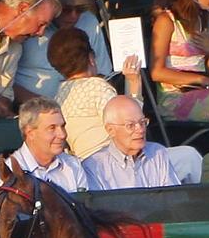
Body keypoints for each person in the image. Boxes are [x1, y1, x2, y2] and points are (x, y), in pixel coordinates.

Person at [14, 0, 111, 103]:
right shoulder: (27, 26)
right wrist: (42, 105)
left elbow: (103, 73)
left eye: (80, 8)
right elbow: (5, 81)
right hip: (31, 107)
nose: (74, 16)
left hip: (82, 104)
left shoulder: (89, 21)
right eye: (66, 9)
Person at [50, 27, 143, 159]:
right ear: (91, 58)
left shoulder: (59, 96)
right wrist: (133, 81)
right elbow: (130, 127)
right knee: (183, 154)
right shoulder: (97, 87)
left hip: (84, 166)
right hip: (115, 163)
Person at [83, 96, 181, 190]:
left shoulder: (158, 153)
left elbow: (172, 199)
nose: (140, 130)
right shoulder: (94, 166)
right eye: (130, 125)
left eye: (142, 122)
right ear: (110, 130)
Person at [10, 97, 89, 192]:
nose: (63, 135)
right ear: (30, 133)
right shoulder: (10, 172)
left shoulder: (73, 165)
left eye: (63, 126)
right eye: (52, 128)